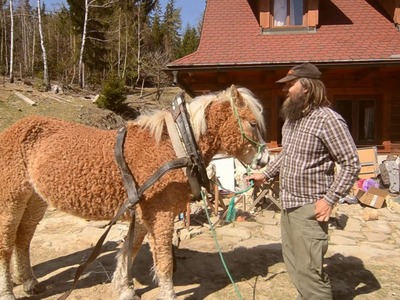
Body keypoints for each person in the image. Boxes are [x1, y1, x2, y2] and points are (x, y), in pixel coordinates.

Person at [247, 63, 361, 299]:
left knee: (309, 272)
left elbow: (351, 163)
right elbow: (287, 154)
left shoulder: (328, 120)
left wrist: (329, 200)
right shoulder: (292, 119)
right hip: (288, 205)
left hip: (310, 208)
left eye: (291, 84)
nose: (286, 90)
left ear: (307, 87)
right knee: (294, 264)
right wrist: (266, 173)